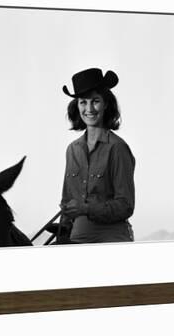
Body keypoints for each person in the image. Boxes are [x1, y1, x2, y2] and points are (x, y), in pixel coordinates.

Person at [58, 68, 135, 243]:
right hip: (77, 234)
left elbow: (125, 205)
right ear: (77, 106)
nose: (89, 109)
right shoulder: (72, 150)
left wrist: (85, 209)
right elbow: (67, 199)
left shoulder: (118, 148)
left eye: (95, 101)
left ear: (106, 103)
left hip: (111, 236)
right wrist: (64, 227)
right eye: (83, 102)